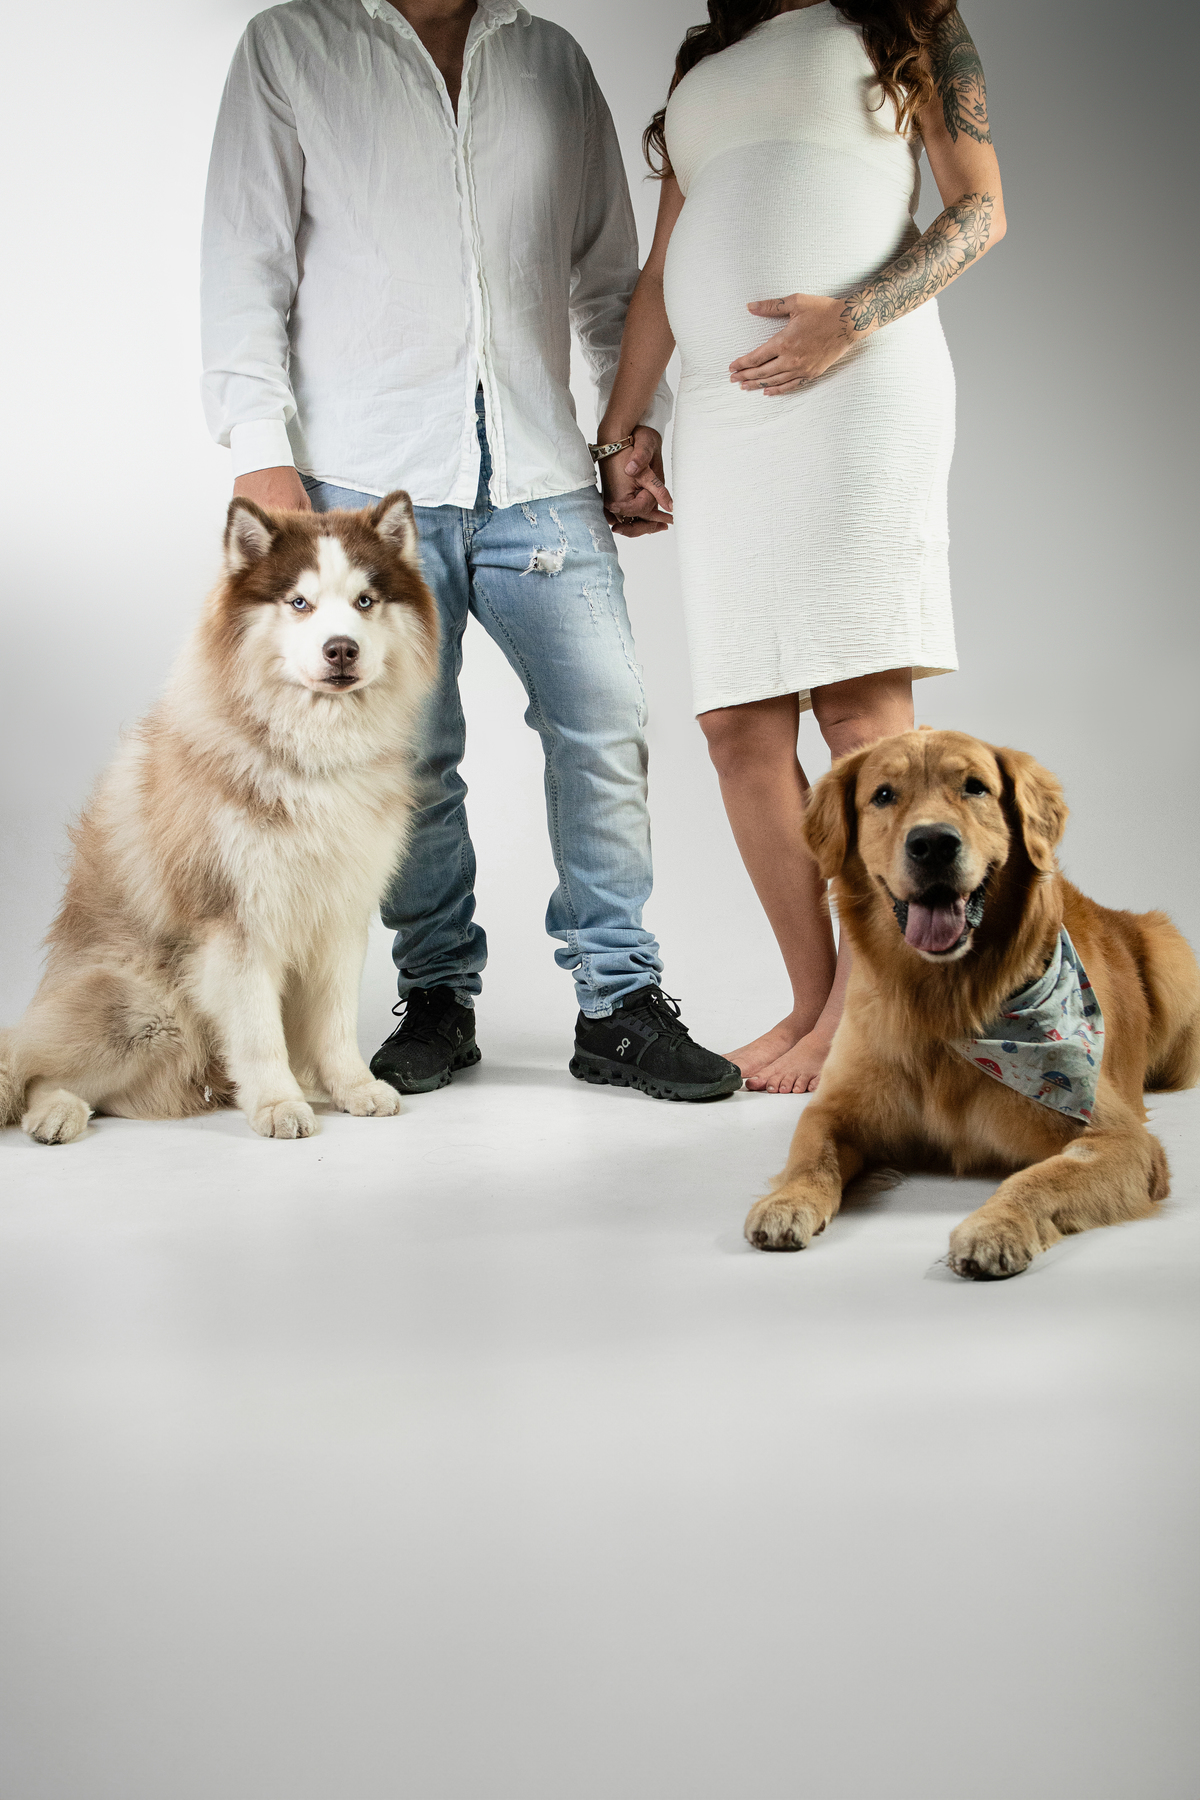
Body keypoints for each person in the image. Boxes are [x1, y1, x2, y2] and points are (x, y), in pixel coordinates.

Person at [200, 0, 740, 1103]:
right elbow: (244, 264)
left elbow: (607, 276)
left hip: (542, 473)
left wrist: (632, 429)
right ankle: (437, 995)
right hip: (360, 485)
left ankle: (619, 1002)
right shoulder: (293, 46)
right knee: (412, 753)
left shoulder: (549, 59)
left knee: (605, 721)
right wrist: (261, 458)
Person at [599, 0, 1005, 1094]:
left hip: (858, 384)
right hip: (726, 413)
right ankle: (812, 1000)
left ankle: (869, 1011)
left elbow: (981, 210)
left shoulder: (906, 14)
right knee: (736, 724)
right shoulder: (707, 61)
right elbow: (660, 274)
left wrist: (852, 318)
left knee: (859, 713)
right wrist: (624, 432)